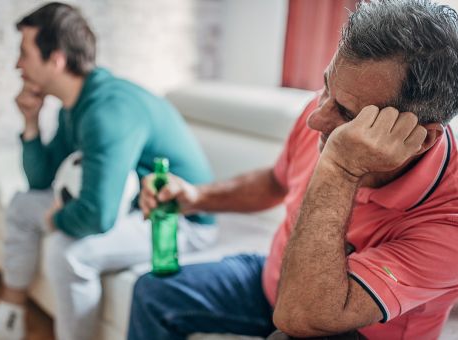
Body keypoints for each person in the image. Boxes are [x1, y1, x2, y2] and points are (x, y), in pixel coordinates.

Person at [128, 0, 458, 339]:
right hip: (277, 281)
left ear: (421, 138)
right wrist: (196, 197)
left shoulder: (450, 220)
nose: (317, 119)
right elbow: (275, 182)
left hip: (353, 327)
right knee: (153, 292)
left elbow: (301, 317)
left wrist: (341, 167)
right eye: (327, 86)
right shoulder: (325, 110)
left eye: (347, 113)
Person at [0, 3, 217, 340]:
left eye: (24, 53)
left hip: (180, 221)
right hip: (135, 203)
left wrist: (55, 220)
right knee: (22, 205)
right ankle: (9, 320)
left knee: (68, 252)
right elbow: (40, 181)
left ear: (57, 59)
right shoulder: (77, 104)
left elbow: (98, 216)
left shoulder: (105, 112)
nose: (17, 65)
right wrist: (31, 121)